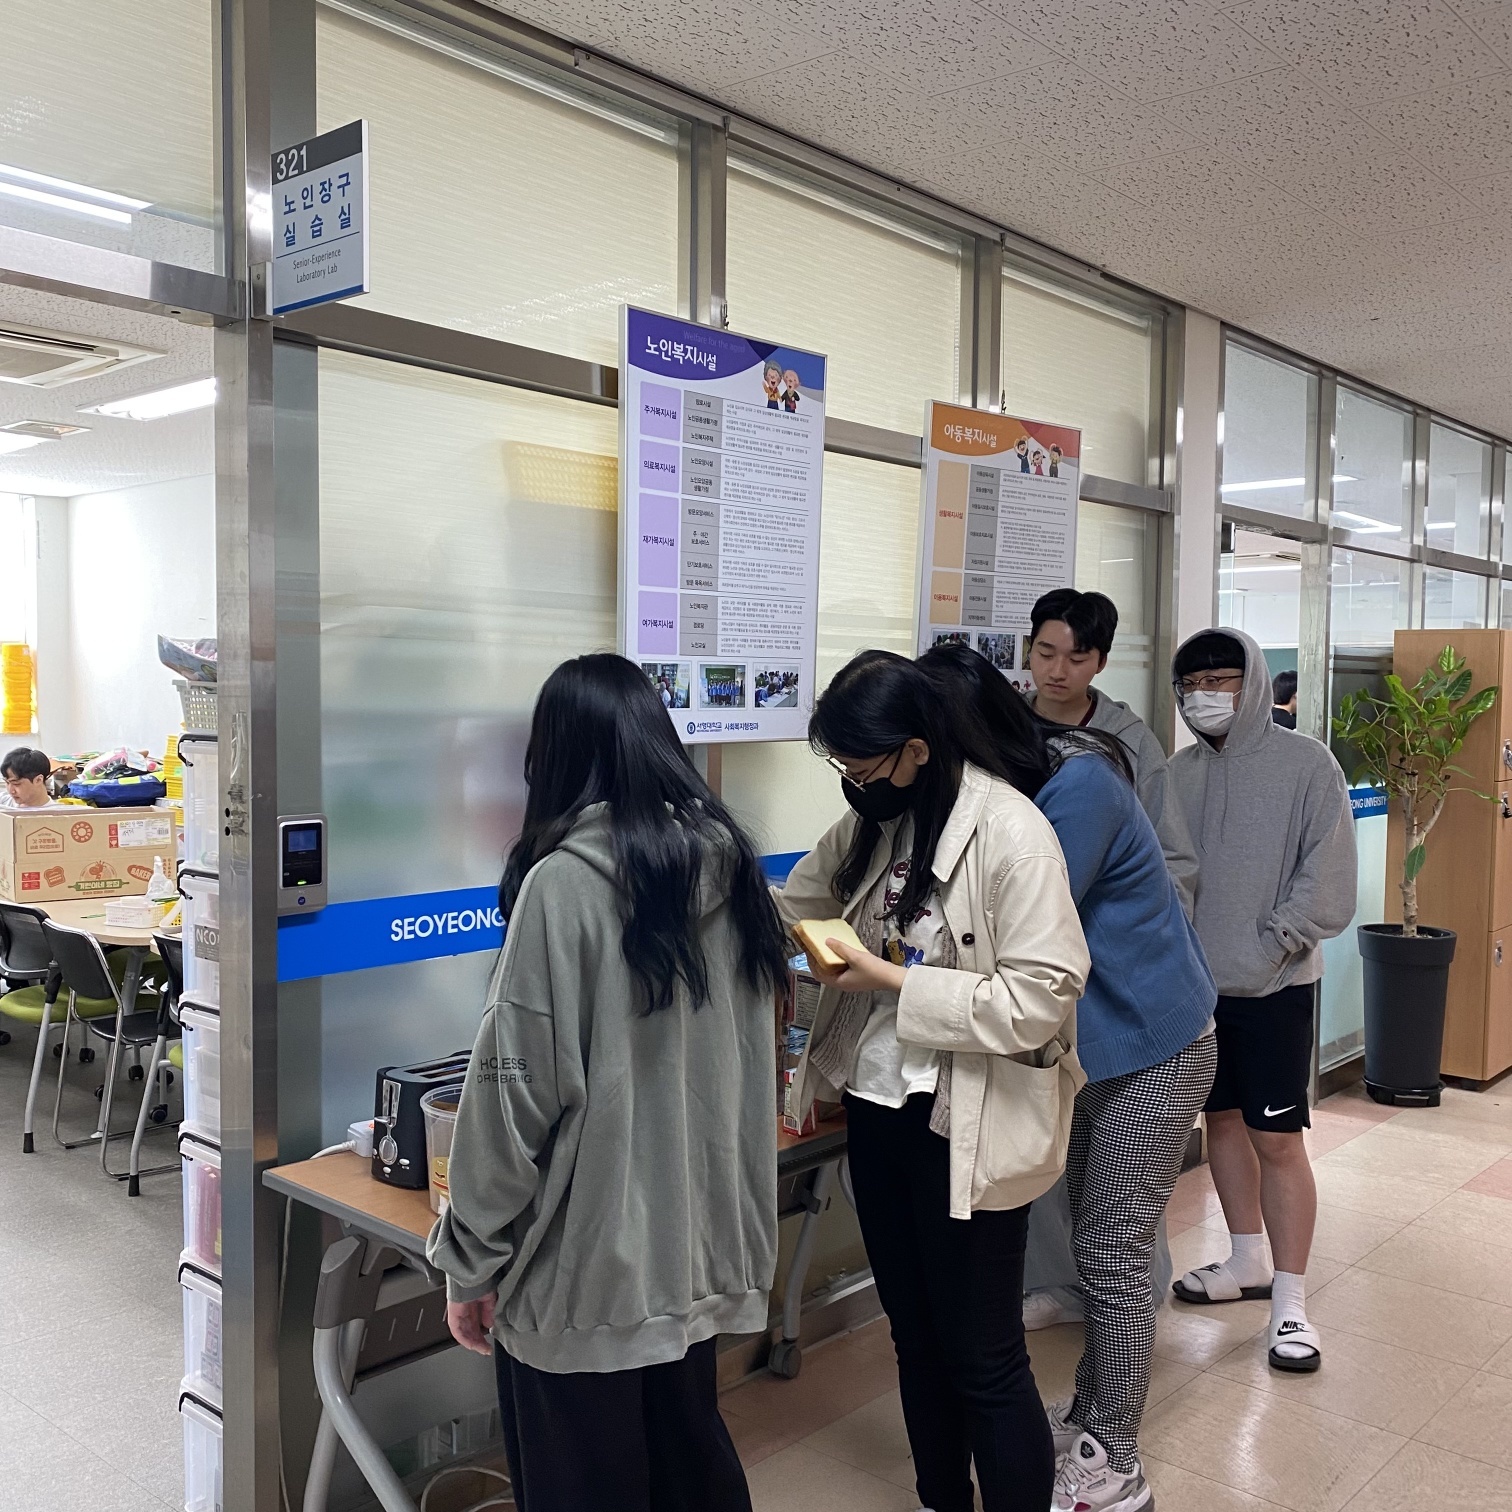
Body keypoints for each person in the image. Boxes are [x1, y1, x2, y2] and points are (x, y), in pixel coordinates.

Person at [428, 653, 791, 1511]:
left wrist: (469, 1258)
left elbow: (512, 1089)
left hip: (584, 1277)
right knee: (687, 1471)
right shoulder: (733, 868)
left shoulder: (561, 886)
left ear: (554, 756)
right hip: (696, 1257)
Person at [775, 650, 1090, 1512]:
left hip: (969, 1121)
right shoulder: (878, 823)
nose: (853, 786)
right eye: (841, 769)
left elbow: (1041, 998)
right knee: (914, 1340)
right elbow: (800, 903)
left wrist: (890, 980)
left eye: (863, 767)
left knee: (984, 1357)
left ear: (917, 749)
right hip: (880, 1112)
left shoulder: (1011, 832)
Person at [921, 645, 1216, 1512]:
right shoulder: (1030, 790)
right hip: (1101, 1053)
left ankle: (1114, 1461)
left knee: (1113, 1253)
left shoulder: (1076, 789)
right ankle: (1092, 1413)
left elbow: (1013, 926)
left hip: (1157, 1046)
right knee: (1098, 1241)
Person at [1167, 628, 1356, 1375]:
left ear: (1250, 682)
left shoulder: (1307, 764)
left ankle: (1291, 1300)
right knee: (1220, 1123)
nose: (1204, 696)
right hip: (1196, 991)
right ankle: (1245, 1259)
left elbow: (1327, 879)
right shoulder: (1176, 774)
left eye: (1219, 679)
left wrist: (1271, 945)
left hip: (1276, 987)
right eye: (1192, 685)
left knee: (1277, 1139)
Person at [1026, 589, 1198, 913]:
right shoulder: (1000, 726)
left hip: (1103, 925)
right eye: (1045, 654)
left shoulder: (1130, 740)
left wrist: (1152, 928)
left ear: (1101, 662)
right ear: (1030, 649)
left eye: (1077, 659)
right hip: (1013, 911)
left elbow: (1173, 856)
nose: (1058, 671)